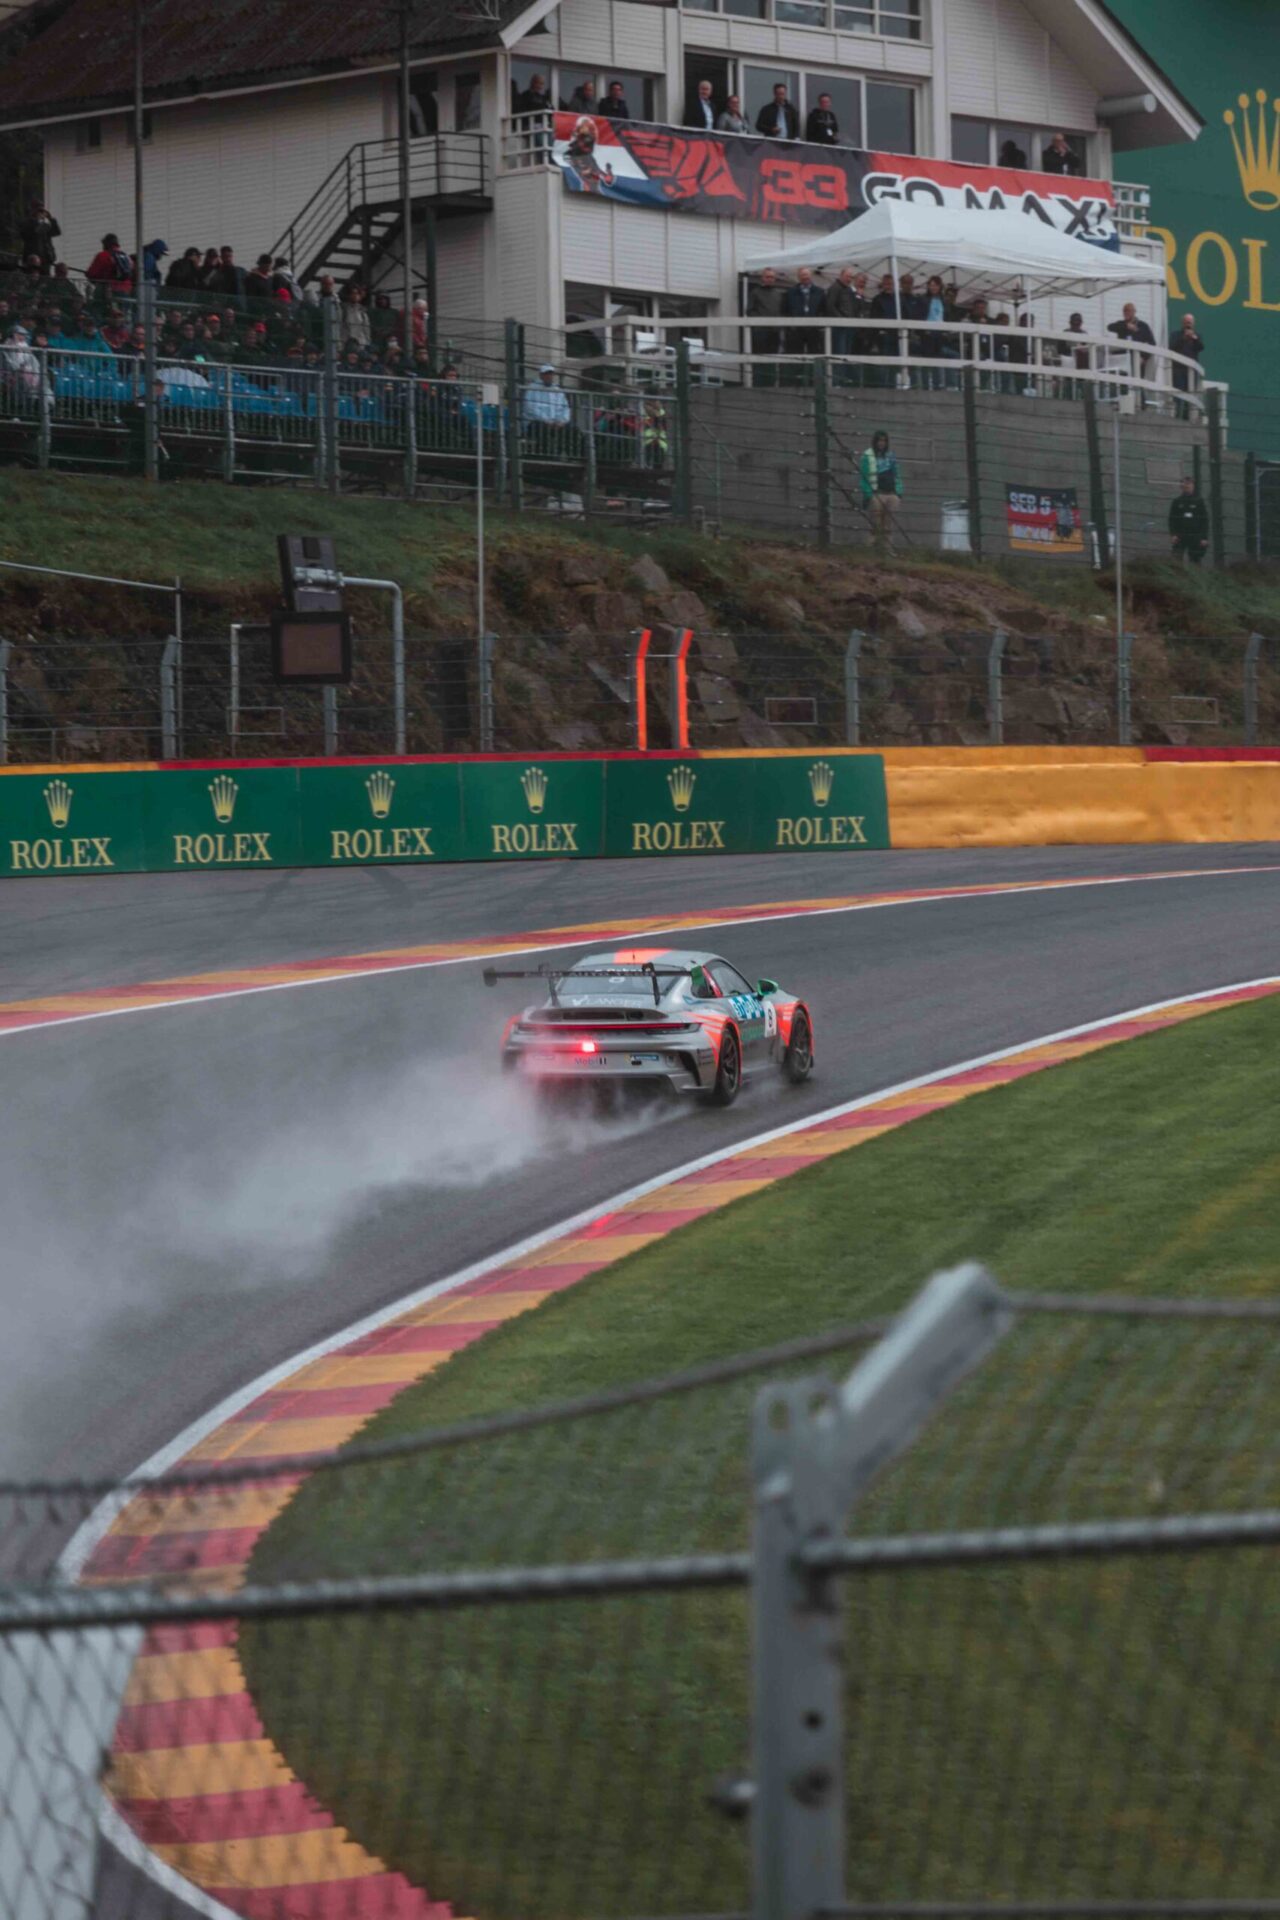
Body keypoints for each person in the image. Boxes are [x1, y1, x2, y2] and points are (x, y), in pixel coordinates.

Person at [859, 429, 902, 552]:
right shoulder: (868, 455)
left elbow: (897, 474)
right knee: (875, 524)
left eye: (884, 440)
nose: (881, 443)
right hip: (876, 493)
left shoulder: (891, 456)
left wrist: (898, 493)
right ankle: (870, 550)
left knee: (888, 525)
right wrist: (869, 494)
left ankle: (887, 550)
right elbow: (864, 476)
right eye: (879, 440)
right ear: (875, 441)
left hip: (891, 494)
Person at [823, 266, 867, 376]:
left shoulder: (847, 290)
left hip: (848, 327)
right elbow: (830, 306)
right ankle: (837, 379)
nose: (849, 279)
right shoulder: (835, 288)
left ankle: (842, 378)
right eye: (847, 276)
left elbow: (854, 307)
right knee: (840, 353)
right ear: (841, 275)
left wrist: (859, 296)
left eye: (850, 277)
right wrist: (840, 319)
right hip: (839, 327)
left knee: (846, 353)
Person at [522, 361, 575, 451]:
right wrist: (546, 420)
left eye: (551, 374)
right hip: (536, 423)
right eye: (546, 374)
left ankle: (567, 455)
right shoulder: (532, 388)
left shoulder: (557, 390)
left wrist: (562, 421)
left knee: (573, 431)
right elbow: (530, 408)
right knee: (543, 431)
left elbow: (565, 408)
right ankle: (547, 453)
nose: (549, 376)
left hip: (555, 424)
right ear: (541, 375)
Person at [746, 267, 786, 378]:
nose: (770, 279)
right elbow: (749, 310)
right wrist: (761, 320)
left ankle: (772, 381)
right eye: (767, 277)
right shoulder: (755, 293)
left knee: (773, 357)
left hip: (775, 331)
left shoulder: (778, 294)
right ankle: (759, 381)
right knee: (760, 357)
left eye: (772, 277)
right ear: (762, 278)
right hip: (761, 331)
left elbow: (782, 311)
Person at [1168, 476, 1209, 565]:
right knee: (1176, 560)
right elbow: (1172, 520)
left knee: (1195, 561)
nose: (1186, 486)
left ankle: (1195, 577)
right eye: (1184, 483)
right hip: (1180, 535)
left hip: (1195, 535)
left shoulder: (1199, 501)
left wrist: (1204, 537)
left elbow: (1204, 520)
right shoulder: (1177, 501)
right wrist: (1173, 534)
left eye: (1188, 483)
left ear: (1193, 485)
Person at [784, 265, 824, 356]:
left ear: (811, 276)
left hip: (814, 329)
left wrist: (819, 325)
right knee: (796, 355)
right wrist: (790, 327)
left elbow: (823, 309)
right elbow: (785, 309)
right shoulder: (790, 292)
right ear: (798, 277)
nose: (805, 277)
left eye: (807, 275)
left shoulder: (819, 292)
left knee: (814, 355)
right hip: (796, 330)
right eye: (802, 275)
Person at [1170, 312, 1204, 412]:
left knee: (1191, 393)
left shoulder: (1197, 336)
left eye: (1190, 322)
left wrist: (1194, 338)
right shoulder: (1175, 335)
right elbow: (1172, 347)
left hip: (1192, 371)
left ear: (1193, 323)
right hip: (1178, 369)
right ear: (1182, 323)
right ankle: (1177, 414)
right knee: (1178, 393)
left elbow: (1201, 347)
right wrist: (1183, 339)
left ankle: (1187, 416)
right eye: (1186, 322)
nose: (1188, 324)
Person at [19, 202, 60, 274]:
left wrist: (50, 218)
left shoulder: (46, 222)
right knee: (33, 279)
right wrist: (36, 221)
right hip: (32, 261)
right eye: (38, 211)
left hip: (46, 259)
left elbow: (56, 232)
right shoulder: (27, 222)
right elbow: (24, 235)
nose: (41, 213)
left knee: (46, 280)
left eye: (42, 211)